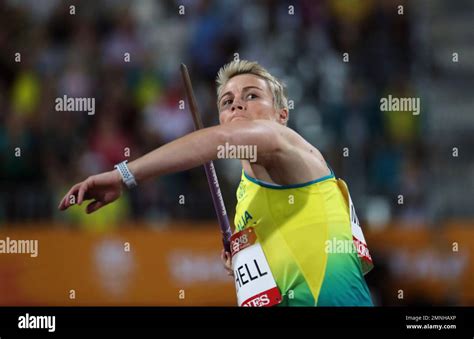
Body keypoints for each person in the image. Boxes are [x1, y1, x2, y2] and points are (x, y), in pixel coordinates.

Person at [59, 60, 373, 306]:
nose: (237, 105)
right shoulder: (246, 194)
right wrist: (245, 259)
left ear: (281, 115)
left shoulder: (288, 145)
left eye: (252, 96)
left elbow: (220, 140)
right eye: (227, 101)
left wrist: (123, 176)